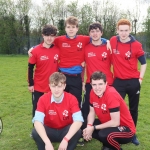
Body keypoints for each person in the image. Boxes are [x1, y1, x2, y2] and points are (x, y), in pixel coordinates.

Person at [28, 16, 111, 108]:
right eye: (68, 27)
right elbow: (47, 42)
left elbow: (96, 38)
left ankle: (76, 122)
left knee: (75, 104)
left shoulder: (83, 39)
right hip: (62, 77)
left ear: (77, 28)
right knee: (61, 103)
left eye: (73, 27)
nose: (71, 30)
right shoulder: (59, 40)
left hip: (76, 78)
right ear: (65, 28)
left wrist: (107, 41)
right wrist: (33, 48)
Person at [110, 19, 147, 145]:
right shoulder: (113, 40)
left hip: (133, 82)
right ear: (117, 31)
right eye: (121, 30)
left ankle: (133, 133)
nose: (124, 33)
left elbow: (144, 63)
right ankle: (116, 132)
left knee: (133, 109)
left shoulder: (136, 45)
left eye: (126, 30)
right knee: (115, 108)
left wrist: (140, 79)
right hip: (118, 82)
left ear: (130, 30)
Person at [82, 71, 136, 150]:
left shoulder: (111, 94)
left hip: (125, 129)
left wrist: (93, 128)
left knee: (104, 134)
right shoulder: (92, 92)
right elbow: (92, 112)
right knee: (83, 125)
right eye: (94, 84)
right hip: (108, 123)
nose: (97, 88)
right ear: (91, 85)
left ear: (106, 83)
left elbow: (115, 122)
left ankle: (114, 147)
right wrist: (89, 126)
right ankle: (108, 145)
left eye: (100, 84)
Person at [32, 72, 83, 150]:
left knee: (77, 131)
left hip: (65, 130)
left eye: (59, 86)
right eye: (53, 86)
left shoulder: (72, 98)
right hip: (49, 130)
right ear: (49, 86)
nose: (56, 90)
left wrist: (66, 139)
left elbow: (78, 120)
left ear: (64, 86)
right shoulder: (43, 99)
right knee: (35, 132)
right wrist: (47, 142)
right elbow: (37, 121)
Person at [82, 22, 113, 120]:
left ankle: (109, 127)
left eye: (97, 31)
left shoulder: (109, 47)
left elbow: (116, 64)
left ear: (101, 33)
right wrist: (83, 81)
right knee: (86, 107)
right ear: (89, 34)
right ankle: (84, 128)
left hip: (107, 83)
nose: (95, 33)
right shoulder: (85, 48)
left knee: (108, 108)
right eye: (92, 31)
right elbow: (82, 65)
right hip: (90, 83)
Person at [27, 25, 59, 118]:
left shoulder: (58, 49)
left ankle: (51, 129)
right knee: (37, 108)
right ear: (43, 35)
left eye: (52, 36)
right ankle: (36, 130)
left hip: (54, 86)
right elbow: (30, 68)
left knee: (52, 109)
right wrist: (30, 84)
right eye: (47, 35)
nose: (49, 38)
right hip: (38, 86)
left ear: (55, 37)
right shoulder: (36, 51)